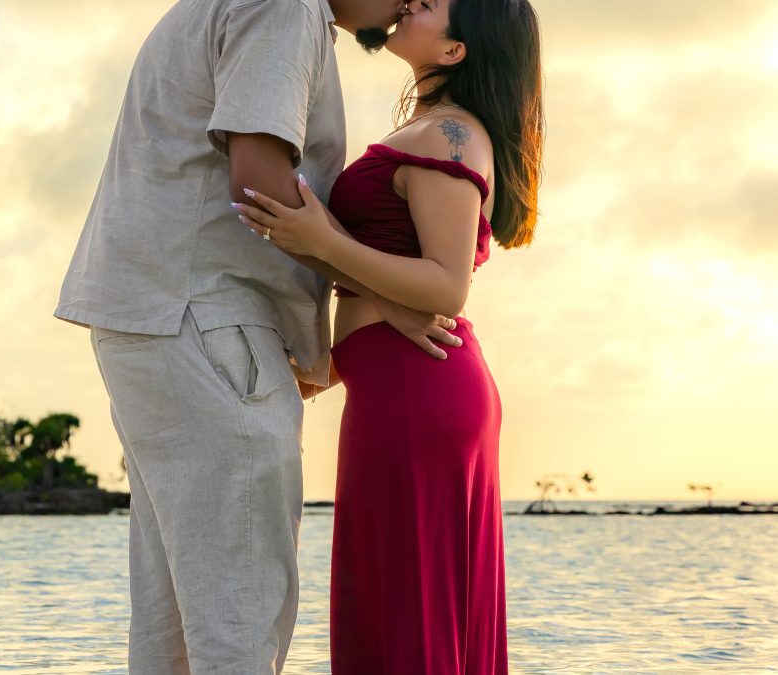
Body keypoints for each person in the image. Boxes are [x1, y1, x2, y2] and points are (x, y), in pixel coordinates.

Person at [52, 0, 465, 672]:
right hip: (207, 317)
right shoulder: (285, 7)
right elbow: (260, 188)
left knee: (178, 629)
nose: (406, 4)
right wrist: (388, 292)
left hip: (161, 316)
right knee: (239, 617)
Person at [234, 0, 544, 672]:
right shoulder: (432, 129)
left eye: (435, 4)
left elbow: (444, 286)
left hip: (417, 393)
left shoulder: (451, 136)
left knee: (404, 615)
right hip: (405, 387)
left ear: (456, 51)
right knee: (399, 609)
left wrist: (319, 240)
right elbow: (404, 274)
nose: (414, 0)